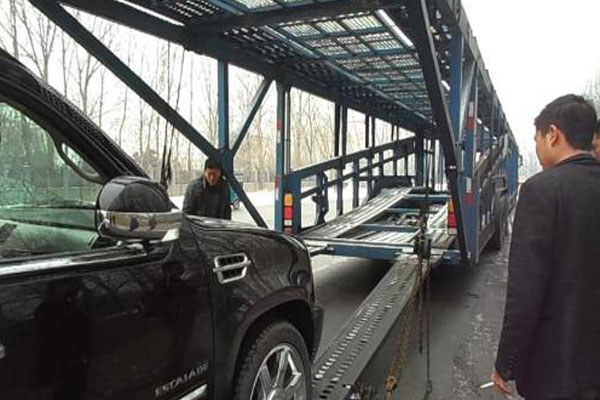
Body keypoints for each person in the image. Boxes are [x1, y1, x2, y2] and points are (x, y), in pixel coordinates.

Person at [492, 95, 600, 400]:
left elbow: (526, 290)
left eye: (537, 138)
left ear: (553, 134)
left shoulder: (542, 190)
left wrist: (506, 363)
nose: (537, 147)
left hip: (557, 372)